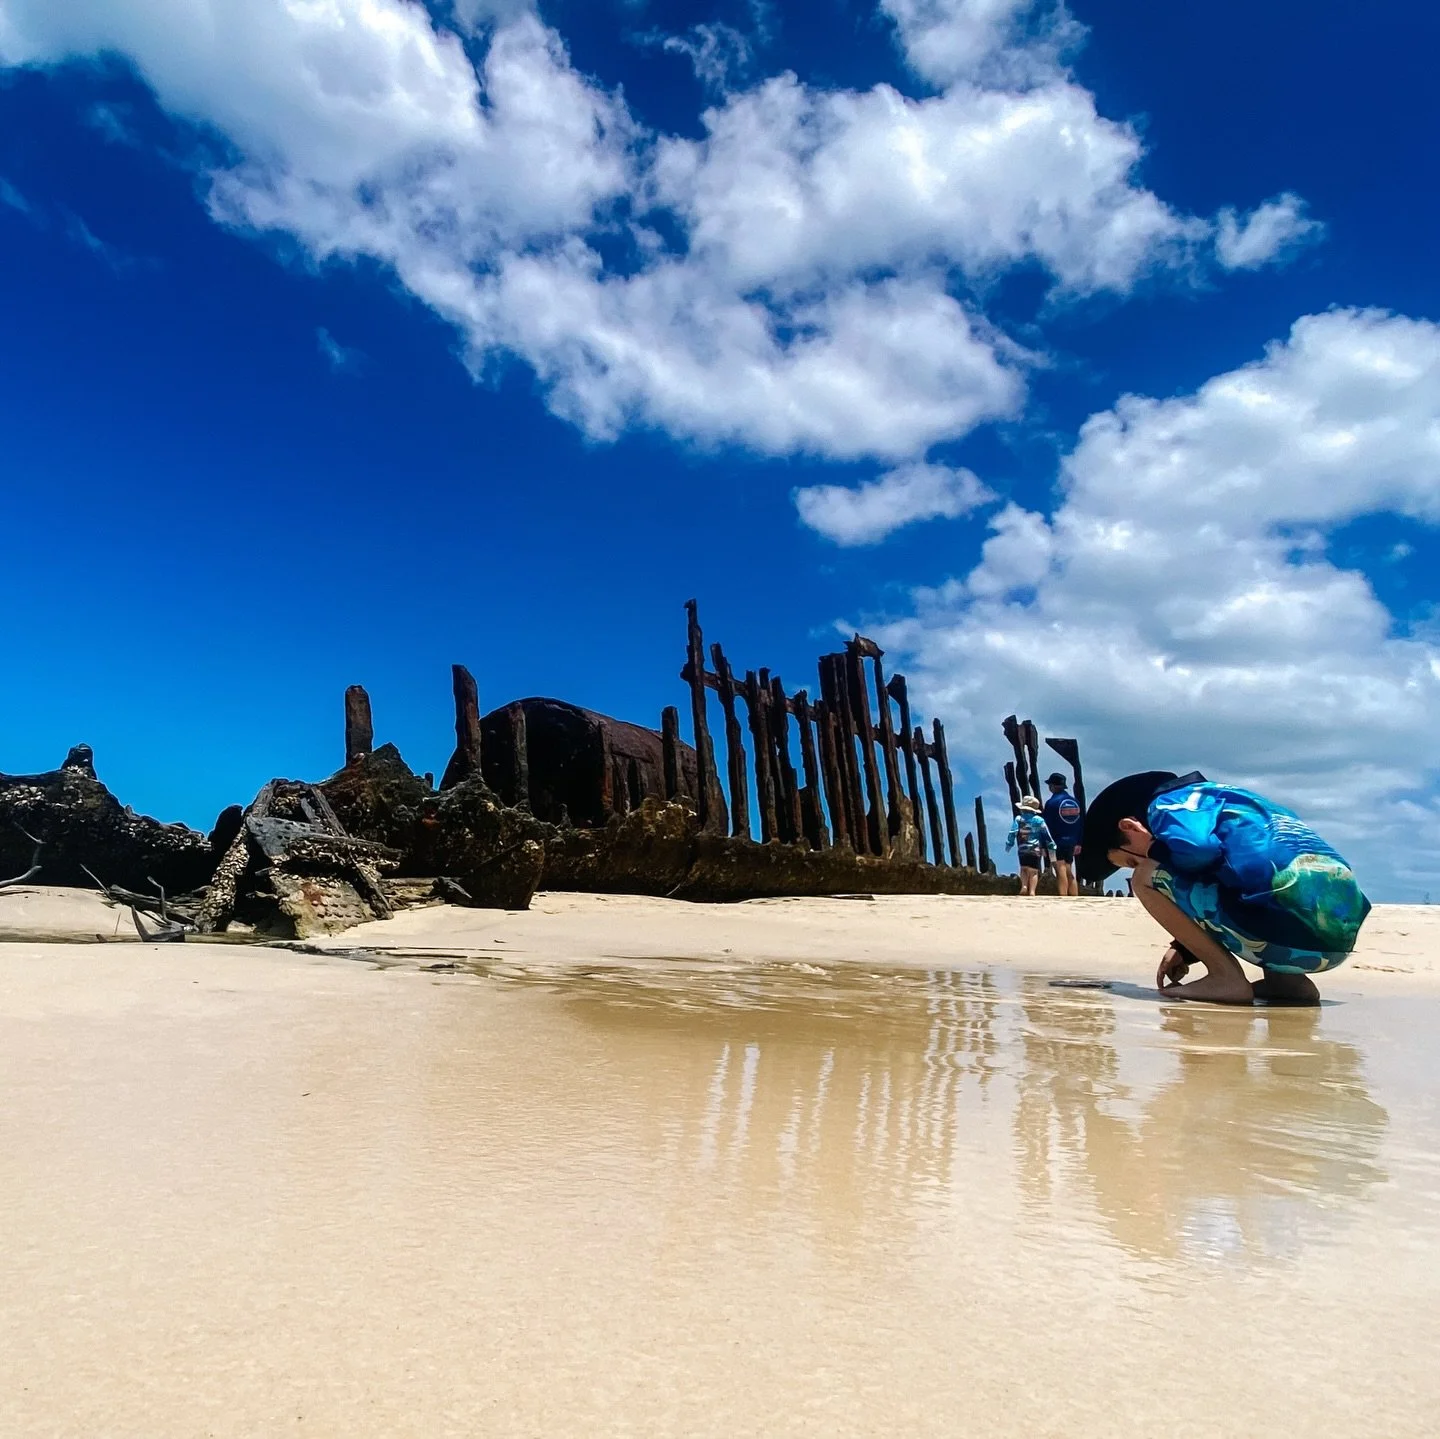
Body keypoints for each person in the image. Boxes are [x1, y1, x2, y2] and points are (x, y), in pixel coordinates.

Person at [1077, 771, 1371, 1005]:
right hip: (1333, 942)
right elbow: (1232, 869)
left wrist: (1153, 848)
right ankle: (1288, 984)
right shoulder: (1231, 799)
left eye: (1128, 858)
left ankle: (1225, 977)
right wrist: (1185, 947)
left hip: (1282, 936)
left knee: (1145, 876)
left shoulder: (1168, 805)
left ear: (1129, 827)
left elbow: (1199, 850)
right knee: (1265, 876)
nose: (1132, 863)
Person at [1042, 772, 1084, 897]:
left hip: (1056, 841)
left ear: (1053, 786)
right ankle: (1074, 895)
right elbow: (1080, 823)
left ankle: (1063, 896)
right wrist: (1079, 842)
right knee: (1069, 869)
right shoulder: (1075, 802)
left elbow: (1046, 826)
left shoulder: (1052, 803)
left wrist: (1044, 844)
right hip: (1072, 840)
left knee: (1060, 868)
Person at [1006, 795, 1055, 896]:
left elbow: (1013, 832)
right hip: (1035, 849)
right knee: (1033, 871)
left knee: (1024, 868)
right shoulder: (1039, 820)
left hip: (1022, 849)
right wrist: (1051, 846)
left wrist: (1009, 843)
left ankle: (1024, 886)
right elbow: (1046, 834)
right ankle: (1032, 891)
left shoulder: (1019, 819)